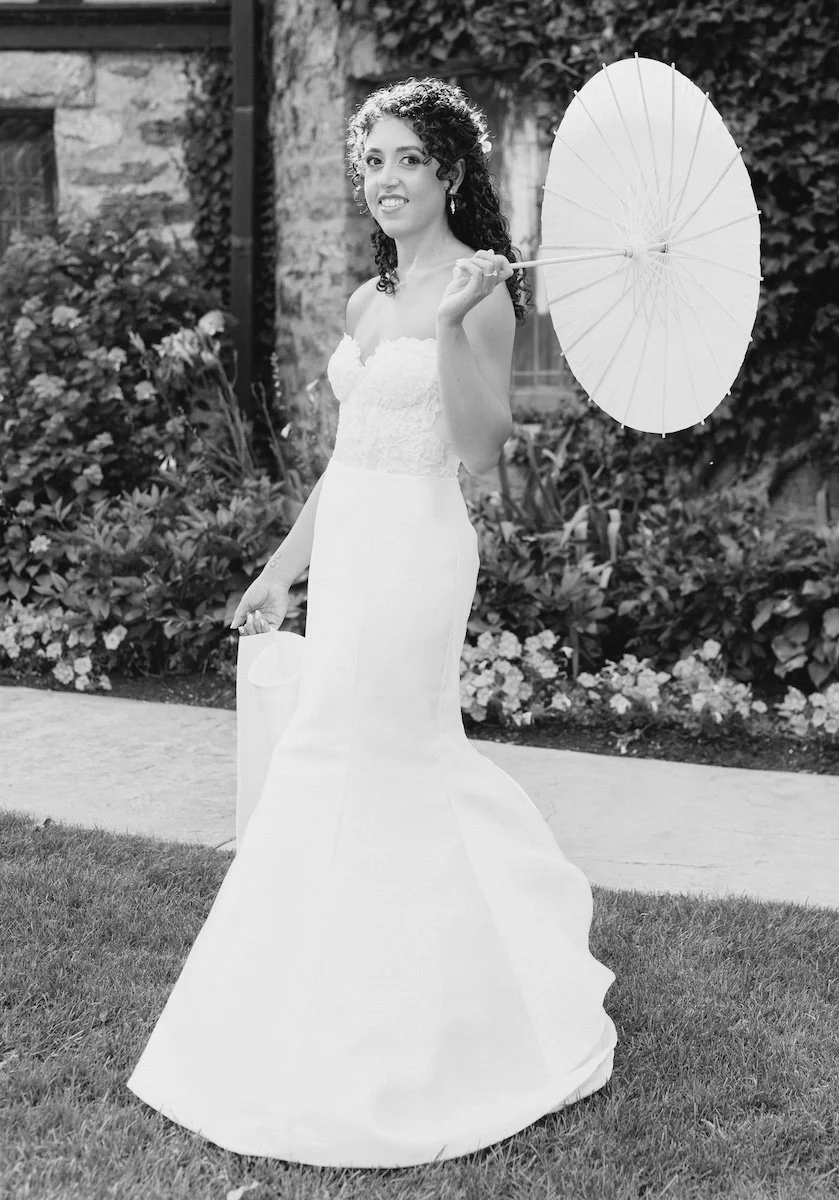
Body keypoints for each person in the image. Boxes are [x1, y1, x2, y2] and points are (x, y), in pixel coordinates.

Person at [126, 76, 618, 1169]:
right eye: (373, 162)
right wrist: (279, 570)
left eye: (407, 159)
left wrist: (446, 326)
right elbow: (345, 465)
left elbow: (480, 452)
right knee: (328, 749)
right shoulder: (361, 301)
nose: (385, 179)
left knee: (380, 752)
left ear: (451, 172)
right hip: (351, 545)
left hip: (419, 552)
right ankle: (304, 990)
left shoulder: (481, 293)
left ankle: (429, 1020)